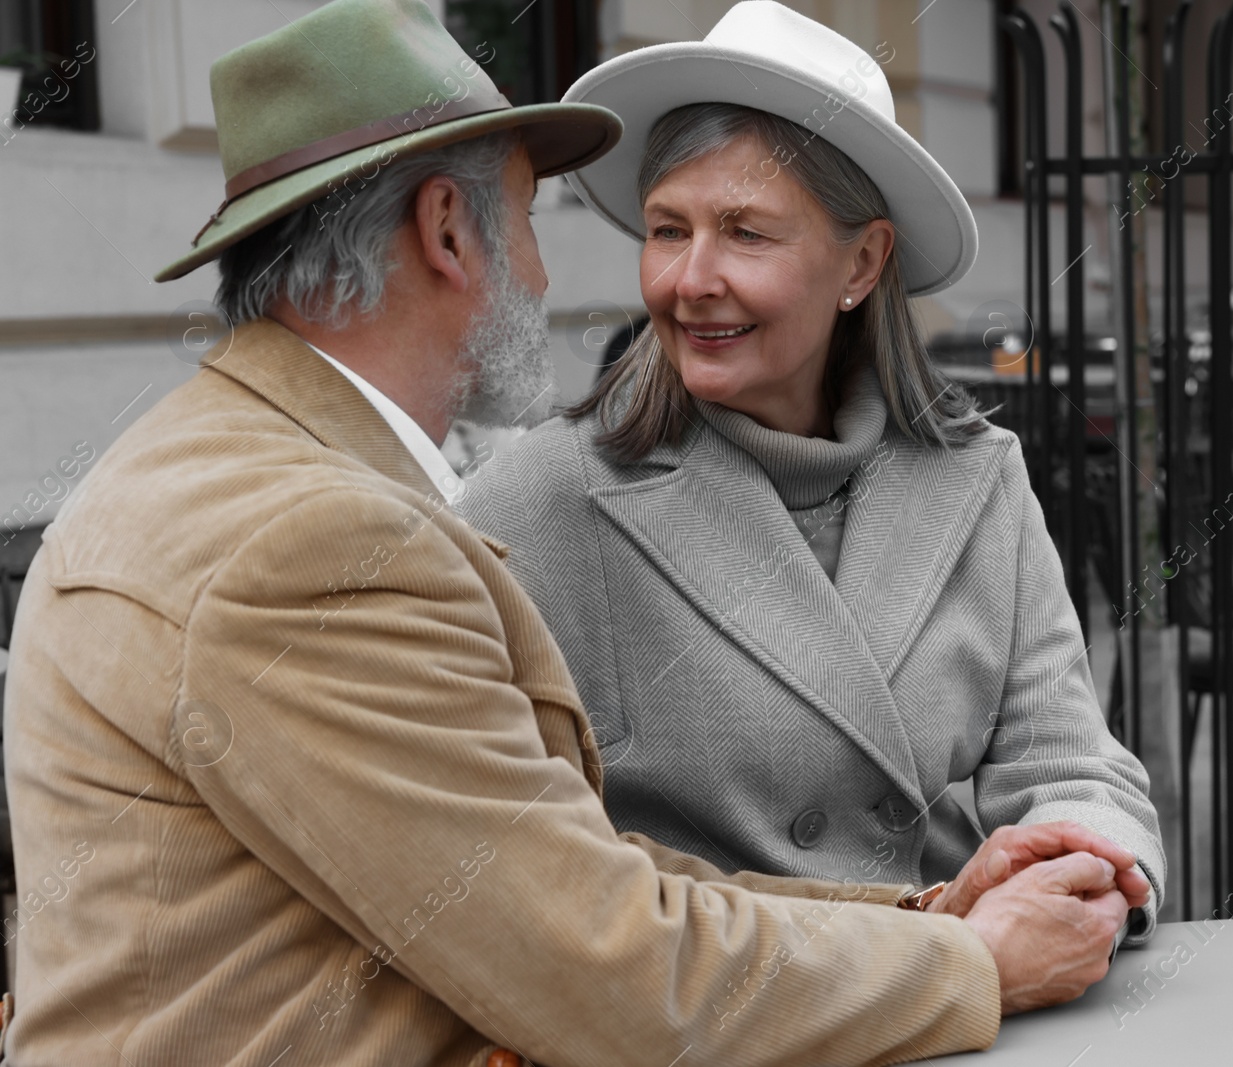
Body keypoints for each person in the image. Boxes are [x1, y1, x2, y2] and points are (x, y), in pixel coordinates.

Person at [1, 2, 1146, 1064]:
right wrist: (971, 953)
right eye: (527, 217)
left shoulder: (250, 481)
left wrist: (950, 908)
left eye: (745, 230)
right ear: (449, 232)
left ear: (863, 263)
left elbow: (564, 878)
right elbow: (599, 952)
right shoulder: (318, 537)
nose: (550, 275)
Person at [461, 0, 1165, 949]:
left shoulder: (977, 478)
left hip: (975, 1004)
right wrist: (941, 937)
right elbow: (526, 864)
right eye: (669, 230)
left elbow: (1070, 759)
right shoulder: (542, 501)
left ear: (863, 261)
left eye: (746, 233)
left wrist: (1079, 875)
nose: (688, 279)